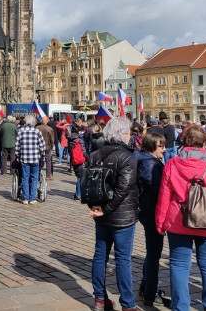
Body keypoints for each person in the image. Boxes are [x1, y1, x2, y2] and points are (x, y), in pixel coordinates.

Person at [155, 125, 206, 311]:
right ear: (205, 142)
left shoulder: (173, 164)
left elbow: (164, 196)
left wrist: (160, 221)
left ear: (185, 142)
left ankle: (181, 307)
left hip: (178, 220)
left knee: (179, 265)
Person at [87, 117, 139, 311]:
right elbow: (123, 189)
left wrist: (96, 207)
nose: (130, 136)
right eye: (129, 133)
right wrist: (105, 209)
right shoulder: (127, 157)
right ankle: (128, 304)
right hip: (121, 215)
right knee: (123, 259)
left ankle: (100, 299)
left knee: (100, 256)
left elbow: (88, 186)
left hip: (102, 214)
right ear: (124, 134)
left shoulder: (96, 154)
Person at [135, 132, 170, 307]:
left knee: (152, 251)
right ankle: (150, 291)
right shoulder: (149, 163)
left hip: (146, 209)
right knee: (154, 252)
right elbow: (156, 187)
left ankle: (146, 285)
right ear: (150, 147)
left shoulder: (145, 159)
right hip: (151, 210)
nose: (164, 150)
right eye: (160, 146)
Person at [16, 115, 45, 204]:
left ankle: (25, 198)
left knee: (25, 178)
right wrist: (43, 154)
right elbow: (42, 145)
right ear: (33, 122)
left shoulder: (20, 131)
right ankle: (32, 198)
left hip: (24, 158)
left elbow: (17, 145)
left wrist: (17, 155)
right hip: (35, 158)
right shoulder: (37, 131)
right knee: (34, 178)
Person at [68, 123, 87, 201]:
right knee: (81, 178)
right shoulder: (80, 140)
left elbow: (70, 152)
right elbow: (84, 151)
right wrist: (88, 158)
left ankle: (77, 194)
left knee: (78, 177)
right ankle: (79, 195)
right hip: (81, 160)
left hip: (74, 160)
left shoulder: (70, 140)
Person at [37, 116, 55, 180]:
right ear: (47, 121)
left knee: (38, 160)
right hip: (47, 146)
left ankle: (37, 173)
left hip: (38, 146)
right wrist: (52, 147)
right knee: (48, 161)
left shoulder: (37, 128)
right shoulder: (49, 129)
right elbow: (52, 139)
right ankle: (48, 175)